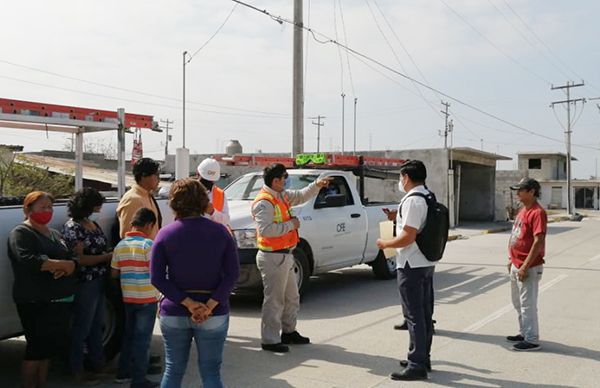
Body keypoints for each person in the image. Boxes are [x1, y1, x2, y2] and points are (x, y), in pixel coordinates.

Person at [150, 178, 239, 388]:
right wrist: (209, 305)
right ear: (203, 201)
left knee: (173, 370)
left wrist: (188, 303)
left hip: (174, 312)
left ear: (173, 202)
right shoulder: (221, 232)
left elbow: (157, 278)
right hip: (213, 313)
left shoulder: (165, 234)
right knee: (211, 373)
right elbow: (232, 274)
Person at [252, 163, 332, 353]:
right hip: (273, 257)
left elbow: (302, 195)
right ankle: (270, 340)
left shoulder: (281, 195)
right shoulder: (264, 202)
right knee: (274, 300)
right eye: (285, 177)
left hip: (285, 255)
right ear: (276, 180)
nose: (287, 181)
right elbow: (266, 230)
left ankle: (288, 332)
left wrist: (317, 185)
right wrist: (291, 224)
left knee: (291, 297)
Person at [7, 191, 77, 388]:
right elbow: (27, 260)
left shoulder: (53, 233)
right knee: (36, 349)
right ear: (28, 210)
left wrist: (66, 266)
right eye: (42, 207)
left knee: (48, 350)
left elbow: (71, 259)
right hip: (35, 300)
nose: (47, 211)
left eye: (50, 207)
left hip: (59, 300)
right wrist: (59, 264)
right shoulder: (21, 233)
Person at [376, 160, 434, 381]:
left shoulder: (412, 201)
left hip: (411, 264)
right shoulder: (427, 195)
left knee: (414, 316)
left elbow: (408, 236)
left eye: (401, 177)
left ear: (407, 177)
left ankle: (416, 364)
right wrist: (396, 219)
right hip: (425, 262)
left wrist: (385, 243)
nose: (400, 181)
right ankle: (422, 356)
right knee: (424, 314)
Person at [62, 187, 113, 384]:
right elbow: (80, 260)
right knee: (81, 326)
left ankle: (98, 363)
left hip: (99, 279)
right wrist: (107, 257)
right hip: (85, 281)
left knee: (96, 324)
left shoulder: (91, 224)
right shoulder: (74, 228)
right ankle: (77, 369)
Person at [112, 208, 159, 388]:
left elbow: (114, 273)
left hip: (128, 298)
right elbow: (155, 272)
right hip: (147, 299)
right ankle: (139, 380)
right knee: (143, 340)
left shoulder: (120, 245)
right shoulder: (148, 245)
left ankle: (122, 373)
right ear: (149, 225)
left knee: (128, 336)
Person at [507, 178, 547, 352]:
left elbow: (538, 241)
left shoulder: (538, 212)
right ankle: (524, 332)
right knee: (517, 302)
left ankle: (531, 339)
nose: (518, 193)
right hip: (516, 263)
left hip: (528, 266)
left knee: (527, 303)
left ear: (531, 191)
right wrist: (511, 259)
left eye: (521, 190)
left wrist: (524, 266)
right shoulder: (523, 210)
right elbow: (518, 236)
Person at [382, 207, 436, 333]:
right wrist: (398, 214)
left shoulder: (414, 199)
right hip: (424, 257)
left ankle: (419, 346)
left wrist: (386, 244)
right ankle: (419, 324)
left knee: (415, 302)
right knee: (421, 297)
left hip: (412, 259)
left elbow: (408, 236)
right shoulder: (423, 197)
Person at [117, 158, 163, 240]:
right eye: (156, 175)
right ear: (144, 176)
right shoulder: (132, 199)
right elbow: (126, 235)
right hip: (140, 251)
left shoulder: (148, 196)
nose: (159, 180)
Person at [197, 157, 230, 226]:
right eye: (204, 180)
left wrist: (212, 212)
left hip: (212, 233)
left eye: (210, 181)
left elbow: (226, 220)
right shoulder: (188, 192)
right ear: (198, 174)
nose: (206, 185)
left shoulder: (220, 194)